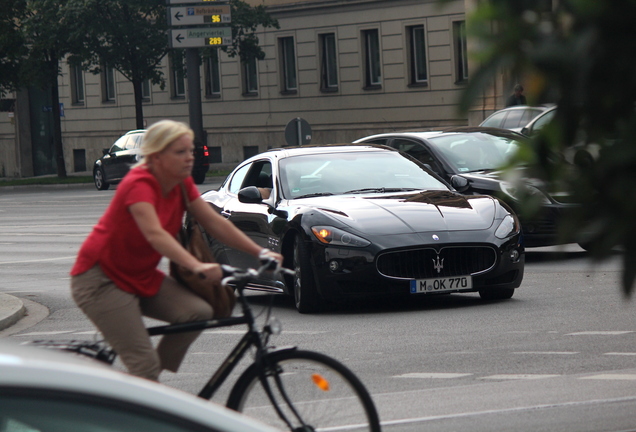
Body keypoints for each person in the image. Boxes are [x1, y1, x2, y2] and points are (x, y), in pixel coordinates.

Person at [70, 120, 282, 382]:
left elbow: (214, 222)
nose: (189, 158)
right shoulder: (139, 183)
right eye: (180, 152)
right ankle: (145, 387)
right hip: (101, 281)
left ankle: (149, 387)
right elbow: (154, 233)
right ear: (157, 156)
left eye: (190, 151)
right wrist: (198, 266)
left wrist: (259, 253)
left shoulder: (180, 183)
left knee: (197, 312)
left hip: (140, 276)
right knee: (143, 365)